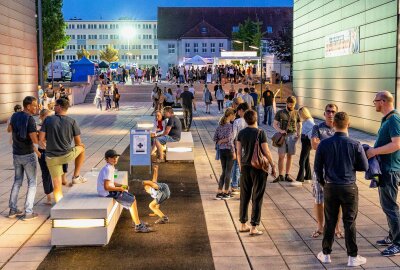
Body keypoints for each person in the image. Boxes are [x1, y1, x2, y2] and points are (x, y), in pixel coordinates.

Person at [315, 112, 368, 267]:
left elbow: (317, 168)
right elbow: (364, 166)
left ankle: (326, 254)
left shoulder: (324, 144)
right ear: (348, 124)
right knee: (349, 222)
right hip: (349, 186)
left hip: (330, 186)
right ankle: (352, 256)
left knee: (330, 221)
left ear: (334, 125)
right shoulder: (356, 144)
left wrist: (323, 183)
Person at [366, 91, 400, 256]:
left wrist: (374, 152)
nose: (374, 103)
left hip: (390, 170)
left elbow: (396, 144)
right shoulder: (386, 119)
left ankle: (398, 242)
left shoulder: (394, 119)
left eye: (375, 101)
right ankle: (393, 235)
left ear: (384, 101)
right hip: (384, 169)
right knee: (387, 207)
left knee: (391, 207)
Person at [236, 110, 276, 235]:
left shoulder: (241, 133)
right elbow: (266, 151)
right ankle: (254, 227)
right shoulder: (260, 132)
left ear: (245, 120)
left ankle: (243, 224)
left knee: (244, 195)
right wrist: (273, 165)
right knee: (257, 196)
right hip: (258, 168)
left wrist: (240, 166)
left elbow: (238, 153)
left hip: (245, 167)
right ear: (256, 119)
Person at [39, 98, 86, 203]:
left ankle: (58, 207)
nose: (53, 107)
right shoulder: (72, 121)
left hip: (51, 158)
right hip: (66, 155)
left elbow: (41, 139)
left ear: (59, 107)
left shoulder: (48, 120)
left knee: (57, 186)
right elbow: (78, 143)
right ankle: (76, 176)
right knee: (82, 148)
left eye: (55, 105)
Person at [97, 149, 152, 233]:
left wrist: (121, 185)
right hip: (107, 193)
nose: (115, 159)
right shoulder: (108, 169)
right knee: (132, 201)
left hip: (108, 191)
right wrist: (120, 189)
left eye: (116, 157)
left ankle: (136, 221)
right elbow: (107, 186)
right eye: (112, 158)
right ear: (107, 159)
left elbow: (110, 182)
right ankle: (138, 226)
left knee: (132, 198)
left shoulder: (110, 167)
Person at [310, 104, 343, 239]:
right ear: (324, 114)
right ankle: (320, 227)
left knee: (337, 200)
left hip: (336, 170)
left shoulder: (340, 129)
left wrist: (324, 144)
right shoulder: (317, 128)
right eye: (328, 111)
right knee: (319, 200)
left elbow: (342, 146)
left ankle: (337, 227)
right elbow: (314, 145)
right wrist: (334, 144)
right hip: (320, 169)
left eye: (333, 111)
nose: (330, 114)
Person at [8, 96, 39, 220]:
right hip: (27, 154)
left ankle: (12, 210)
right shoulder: (30, 119)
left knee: (17, 182)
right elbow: (34, 139)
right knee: (32, 183)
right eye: (34, 105)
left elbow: (9, 129)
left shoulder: (15, 116)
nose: (36, 107)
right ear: (28, 106)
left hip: (16, 154)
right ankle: (28, 212)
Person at [37, 109, 69, 205]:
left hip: (54, 152)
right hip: (43, 152)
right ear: (41, 117)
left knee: (58, 173)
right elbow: (33, 141)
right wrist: (38, 153)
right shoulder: (38, 127)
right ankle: (49, 197)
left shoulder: (53, 125)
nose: (50, 119)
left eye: (51, 117)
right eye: (47, 117)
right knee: (46, 174)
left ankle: (59, 192)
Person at [272, 96, 301, 183]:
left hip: (292, 136)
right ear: (287, 103)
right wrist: (281, 131)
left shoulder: (296, 113)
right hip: (283, 136)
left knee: (290, 156)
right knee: (281, 156)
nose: (291, 105)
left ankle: (287, 175)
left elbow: (299, 124)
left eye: (293, 104)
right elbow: (275, 124)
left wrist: (299, 134)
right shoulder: (280, 112)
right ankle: (280, 175)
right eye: (290, 103)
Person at [213, 108, 236, 200]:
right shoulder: (230, 126)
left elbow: (215, 138)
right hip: (229, 150)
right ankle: (226, 192)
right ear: (230, 115)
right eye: (233, 115)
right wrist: (234, 152)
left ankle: (219, 191)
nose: (234, 116)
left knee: (224, 171)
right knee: (228, 172)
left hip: (222, 151)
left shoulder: (219, 126)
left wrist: (220, 141)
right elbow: (230, 140)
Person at [231, 102, 249, 194]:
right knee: (243, 165)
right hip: (248, 146)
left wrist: (232, 147)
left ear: (241, 111)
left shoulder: (237, 121)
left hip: (238, 145)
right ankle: (238, 183)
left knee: (237, 165)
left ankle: (234, 184)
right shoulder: (250, 121)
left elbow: (233, 136)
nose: (237, 112)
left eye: (238, 111)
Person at [296, 107, 315, 183]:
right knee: (306, 160)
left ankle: (300, 179)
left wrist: (308, 135)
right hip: (305, 142)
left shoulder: (309, 121)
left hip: (307, 143)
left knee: (302, 160)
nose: (299, 115)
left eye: (300, 113)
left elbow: (315, 128)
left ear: (304, 113)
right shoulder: (307, 120)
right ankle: (308, 177)